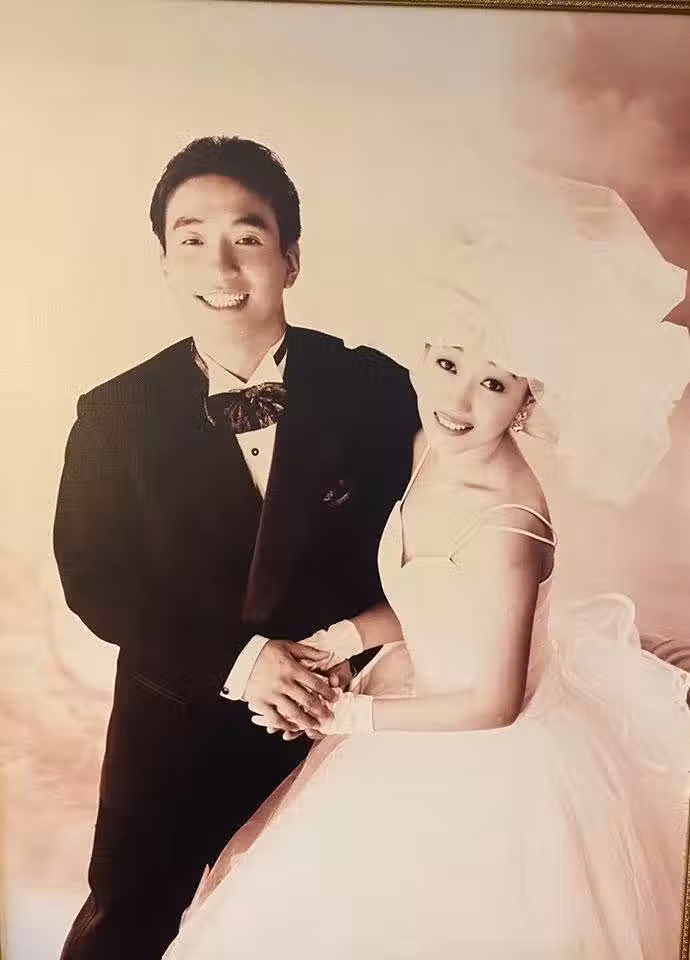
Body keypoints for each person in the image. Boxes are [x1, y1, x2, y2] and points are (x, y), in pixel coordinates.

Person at [162, 173, 690, 960]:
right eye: (447, 363)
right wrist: (338, 642)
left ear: (529, 400)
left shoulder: (509, 523)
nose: (459, 401)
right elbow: (431, 608)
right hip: (409, 708)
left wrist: (344, 717)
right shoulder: (426, 450)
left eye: (494, 383)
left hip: (490, 759)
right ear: (421, 355)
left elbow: (495, 702)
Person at [53, 135, 419, 960]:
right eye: (191, 240)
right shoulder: (114, 413)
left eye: (247, 237)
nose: (220, 266)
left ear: (291, 259)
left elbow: (429, 551)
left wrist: (342, 653)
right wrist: (245, 661)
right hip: (172, 723)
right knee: (130, 925)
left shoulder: (376, 388)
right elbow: (96, 580)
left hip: (341, 722)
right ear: (164, 262)